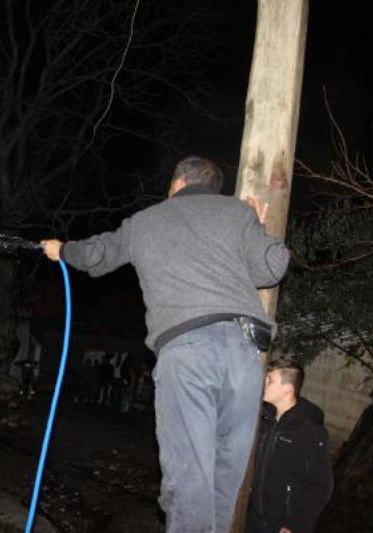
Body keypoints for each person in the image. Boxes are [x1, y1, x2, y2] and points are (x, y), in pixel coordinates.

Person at [41, 155, 290, 532]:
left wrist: (62, 250)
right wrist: (258, 223)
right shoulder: (237, 214)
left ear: (176, 183)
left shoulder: (147, 221)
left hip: (189, 351)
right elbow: (272, 268)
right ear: (213, 186)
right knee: (226, 477)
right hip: (245, 354)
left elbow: (97, 255)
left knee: (190, 478)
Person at [246, 358, 333, 533]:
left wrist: (296, 525)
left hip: (282, 525)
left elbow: (321, 484)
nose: (264, 383)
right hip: (253, 518)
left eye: (270, 380)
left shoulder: (308, 430)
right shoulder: (264, 420)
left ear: (288, 389)